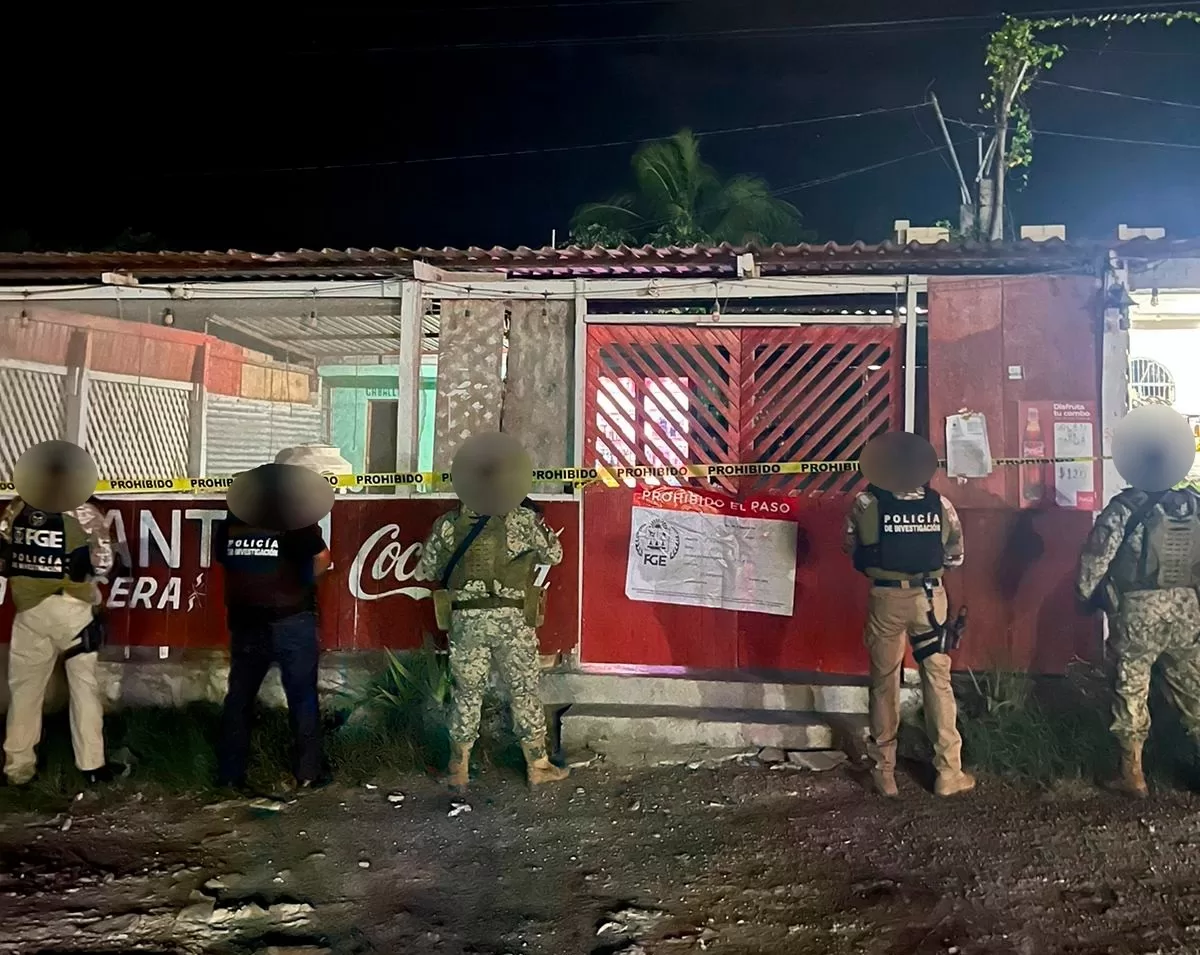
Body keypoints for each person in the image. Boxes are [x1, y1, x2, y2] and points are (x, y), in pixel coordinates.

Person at [416, 432, 568, 789]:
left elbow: (428, 570)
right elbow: (555, 555)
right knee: (524, 690)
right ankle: (538, 765)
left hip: (467, 620)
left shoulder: (449, 525)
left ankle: (458, 767)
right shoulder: (523, 520)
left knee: (466, 694)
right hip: (512, 620)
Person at [1077, 404, 1200, 798]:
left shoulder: (1124, 508)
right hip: (1187, 608)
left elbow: (1095, 560)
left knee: (1131, 685)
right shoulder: (1194, 504)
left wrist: (1086, 595)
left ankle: (1132, 775)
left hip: (1138, 611)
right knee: (1193, 688)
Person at [844, 431, 975, 799]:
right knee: (937, 680)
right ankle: (949, 772)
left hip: (886, 598)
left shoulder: (865, 503)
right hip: (930, 601)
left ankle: (884, 774)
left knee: (884, 682)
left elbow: (850, 547)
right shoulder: (941, 505)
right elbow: (955, 557)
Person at [1, 442, 117, 787]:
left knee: (24, 692)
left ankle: (17, 769)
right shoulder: (83, 512)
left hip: (28, 612)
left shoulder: (16, 509)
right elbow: (103, 564)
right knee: (84, 687)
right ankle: (92, 767)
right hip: (72, 611)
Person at [214, 464, 334, 791]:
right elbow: (322, 558)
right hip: (291, 621)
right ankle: (308, 773)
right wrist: (304, 582)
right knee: (302, 698)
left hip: (246, 623)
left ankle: (230, 775)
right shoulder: (292, 521)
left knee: (239, 700)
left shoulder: (231, 523)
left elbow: (226, 561)